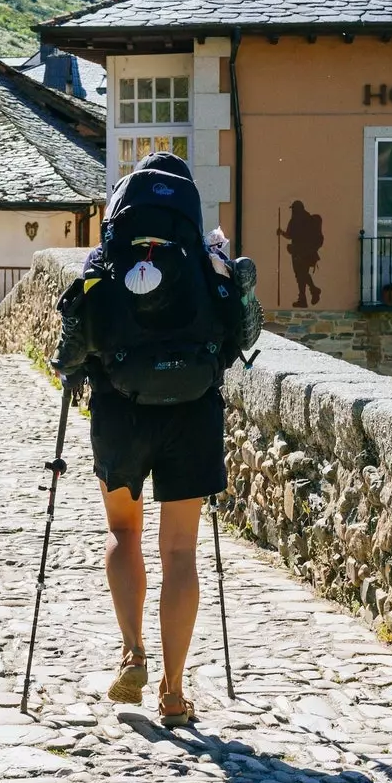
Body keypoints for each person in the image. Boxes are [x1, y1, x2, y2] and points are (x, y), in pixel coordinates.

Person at [53, 152, 245, 727]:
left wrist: (76, 371)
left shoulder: (105, 256)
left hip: (121, 411)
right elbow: (237, 335)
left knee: (122, 532)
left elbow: (73, 343)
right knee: (181, 552)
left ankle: (132, 650)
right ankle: (175, 689)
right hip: (192, 412)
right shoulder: (210, 256)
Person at [277, 200, 323, 308]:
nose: (292, 211)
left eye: (293, 209)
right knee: (302, 275)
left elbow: (290, 235)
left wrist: (281, 232)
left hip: (299, 253)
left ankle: (308, 294)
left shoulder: (295, 220)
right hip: (308, 253)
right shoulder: (309, 219)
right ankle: (309, 294)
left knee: (300, 275)